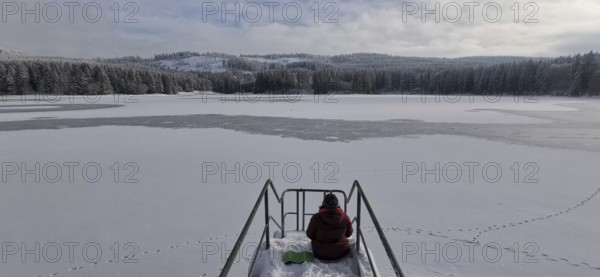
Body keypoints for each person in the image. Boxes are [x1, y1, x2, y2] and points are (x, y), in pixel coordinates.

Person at [306, 193, 353, 260]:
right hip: (341, 252)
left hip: (320, 253)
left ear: (324, 203)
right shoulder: (345, 217)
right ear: (337, 204)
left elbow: (310, 235)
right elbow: (349, 233)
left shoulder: (316, 218)